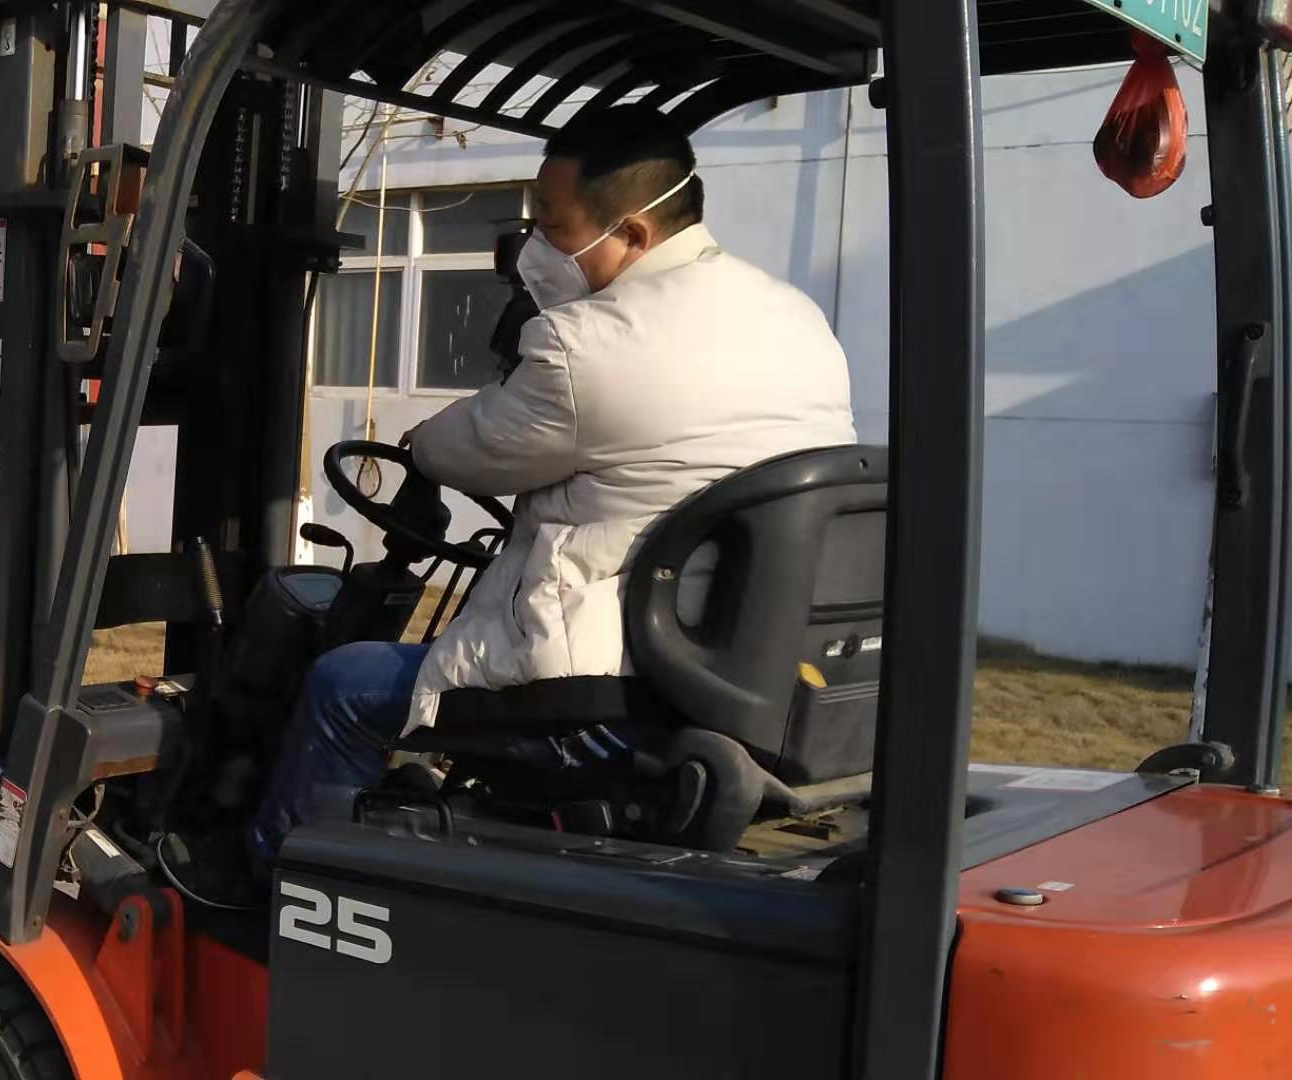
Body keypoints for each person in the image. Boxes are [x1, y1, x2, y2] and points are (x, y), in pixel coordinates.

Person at [165, 105, 858, 908]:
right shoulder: (793, 316)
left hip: (604, 685)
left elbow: (460, 449)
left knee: (343, 685)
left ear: (632, 233)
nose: (536, 246)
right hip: (733, 671)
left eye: (553, 227)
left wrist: (420, 441)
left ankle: (276, 887)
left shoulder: (588, 343)